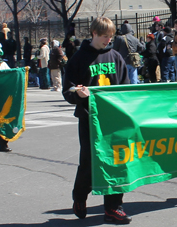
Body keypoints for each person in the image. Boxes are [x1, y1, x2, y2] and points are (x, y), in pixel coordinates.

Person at [63, 17, 131, 224]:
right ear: (93, 33)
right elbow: (68, 90)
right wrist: (78, 94)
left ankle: (113, 207)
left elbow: (125, 87)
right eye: (104, 36)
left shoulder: (116, 57)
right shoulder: (79, 58)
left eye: (110, 36)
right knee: (89, 162)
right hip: (89, 119)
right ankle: (80, 197)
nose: (108, 39)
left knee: (117, 161)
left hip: (113, 118)